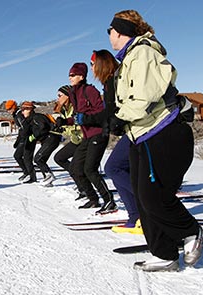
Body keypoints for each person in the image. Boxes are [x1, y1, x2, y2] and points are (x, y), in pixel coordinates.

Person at [107, 9, 202, 271]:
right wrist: (120, 118)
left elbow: (144, 97)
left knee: (154, 197)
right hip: (141, 133)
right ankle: (164, 254)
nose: (109, 35)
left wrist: (119, 116)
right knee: (141, 196)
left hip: (163, 131)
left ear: (121, 31)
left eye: (110, 30)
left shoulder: (143, 53)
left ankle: (190, 230)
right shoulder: (128, 58)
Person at [79, 50, 141, 233]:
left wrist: (88, 119)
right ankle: (136, 217)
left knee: (113, 168)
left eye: (92, 64)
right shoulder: (108, 84)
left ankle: (150, 207)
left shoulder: (116, 80)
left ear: (101, 64)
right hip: (128, 131)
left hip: (138, 129)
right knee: (121, 169)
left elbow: (113, 110)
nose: (91, 68)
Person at [56, 63, 116, 213]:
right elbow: (78, 118)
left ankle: (109, 201)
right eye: (69, 75)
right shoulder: (74, 94)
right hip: (87, 136)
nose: (70, 77)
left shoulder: (90, 90)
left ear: (81, 76)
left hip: (99, 133)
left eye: (73, 75)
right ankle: (93, 199)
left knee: (90, 169)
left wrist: (86, 119)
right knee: (76, 168)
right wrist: (65, 121)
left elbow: (102, 114)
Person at [52, 85, 86, 199]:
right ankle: (82, 184)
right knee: (59, 158)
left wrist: (67, 123)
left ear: (68, 95)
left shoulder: (75, 107)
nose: (58, 98)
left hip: (83, 139)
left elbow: (81, 122)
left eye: (60, 95)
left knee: (75, 167)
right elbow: (68, 127)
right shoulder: (64, 110)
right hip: (75, 140)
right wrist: (61, 129)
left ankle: (84, 187)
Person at [21, 101, 61, 186]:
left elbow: (42, 128)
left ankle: (49, 176)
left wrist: (33, 136)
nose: (22, 112)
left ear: (30, 110)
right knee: (41, 160)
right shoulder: (29, 120)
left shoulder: (37, 117)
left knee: (38, 158)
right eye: (22, 110)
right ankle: (48, 180)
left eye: (24, 109)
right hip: (47, 140)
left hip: (52, 138)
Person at [5, 100, 31, 181]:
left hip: (27, 138)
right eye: (7, 109)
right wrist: (18, 140)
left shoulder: (19, 114)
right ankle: (27, 173)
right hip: (23, 138)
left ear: (13, 107)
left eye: (9, 108)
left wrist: (22, 138)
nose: (8, 111)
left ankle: (28, 173)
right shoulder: (15, 114)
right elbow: (21, 129)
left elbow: (25, 127)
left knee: (19, 156)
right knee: (22, 157)